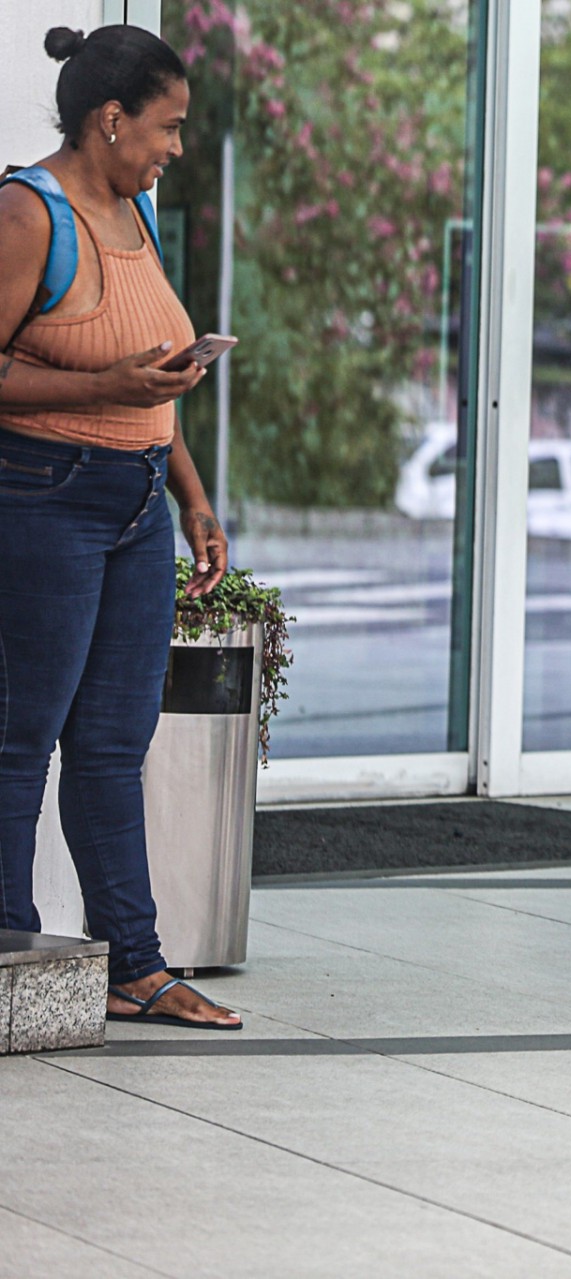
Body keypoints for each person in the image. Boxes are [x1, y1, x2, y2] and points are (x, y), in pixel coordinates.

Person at [0, 25, 240, 1030]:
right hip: (45, 493)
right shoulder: (26, 215)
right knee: (21, 738)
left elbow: (155, 381)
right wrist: (105, 384)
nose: (177, 147)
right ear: (110, 120)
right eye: (168, 126)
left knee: (112, 740)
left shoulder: (135, 208)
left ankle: (132, 964)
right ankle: (11, 961)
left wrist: (191, 494)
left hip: (140, 498)